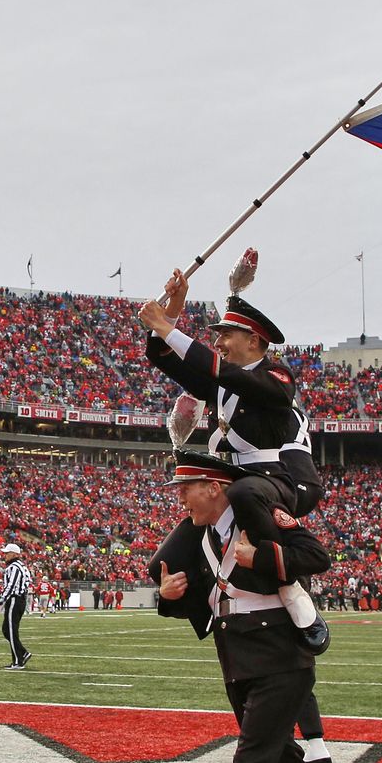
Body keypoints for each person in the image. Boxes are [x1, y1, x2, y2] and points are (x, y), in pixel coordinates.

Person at [153, 452, 363, 763]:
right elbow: (190, 593)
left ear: (213, 486)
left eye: (186, 488)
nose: (181, 498)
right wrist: (164, 598)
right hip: (236, 655)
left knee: (251, 761)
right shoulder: (202, 536)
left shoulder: (259, 515)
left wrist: (260, 555)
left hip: (281, 656)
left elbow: (315, 555)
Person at [140, 266, 329, 655]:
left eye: (226, 334)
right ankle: (210, 610)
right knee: (164, 561)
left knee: (244, 492)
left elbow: (223, 371)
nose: (220, 342)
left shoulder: (277, 376)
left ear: (255, 340)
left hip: (272, 483)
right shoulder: (221, 383)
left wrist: (170, 326)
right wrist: (173, 308)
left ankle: (292, 592)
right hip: (235, 485)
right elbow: (162, 355)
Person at [0, 543, 33, 670]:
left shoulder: (14, 567)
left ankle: (18, 660)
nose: (5, 555)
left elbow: (11, 586)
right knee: (7, 630)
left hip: (15, 600)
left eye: (7, 553)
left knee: (11, 631)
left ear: (15, 554)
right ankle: (22, 653)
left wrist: (0, 601)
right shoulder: (22, 566)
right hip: (19, 599)